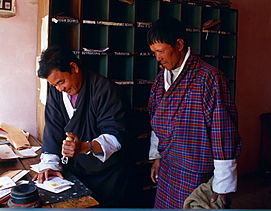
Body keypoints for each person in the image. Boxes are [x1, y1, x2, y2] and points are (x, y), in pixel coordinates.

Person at [147, 18, 242, 209]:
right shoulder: (160, 81)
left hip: (196, 169)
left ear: (179, 44)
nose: (157, 58)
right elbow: (156, 122)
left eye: (161, 51)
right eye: (154, 53)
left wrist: (222, 185)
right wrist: (156, 157)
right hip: (169, 167)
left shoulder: (209, 78)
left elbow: (222, 133)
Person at [33, 45, 133, 207]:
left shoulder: (105, 90)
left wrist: (86, 146)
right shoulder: (57, 93)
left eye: (61, 82)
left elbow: (116, 135)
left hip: (109, 176)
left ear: (74, 67)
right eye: (55, 85)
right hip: (77, 172)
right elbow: (53, 129)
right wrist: (50, 165)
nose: (60, 89)